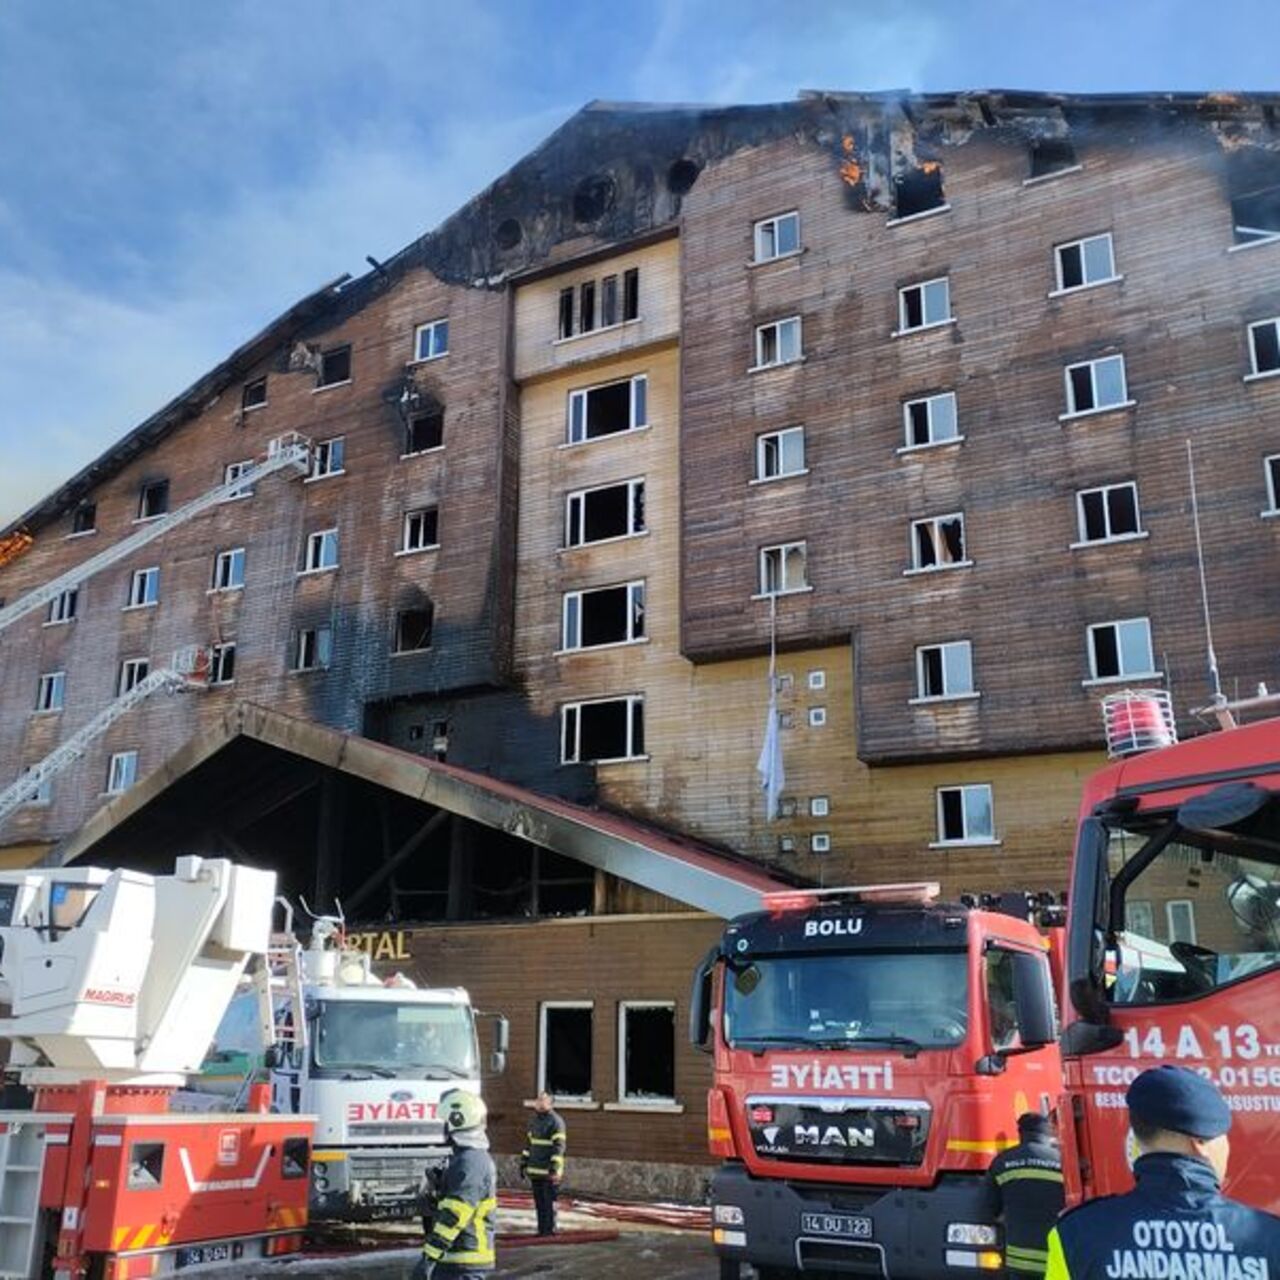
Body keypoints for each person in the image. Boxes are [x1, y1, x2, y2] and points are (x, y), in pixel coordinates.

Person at [1046, 1065, 1280, 1278]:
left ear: (1137, 1140)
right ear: (1201, 1141)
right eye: (1224, 1138)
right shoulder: (1269, 1238)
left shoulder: (1075, 1234)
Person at [413, 1088, 496, 1279]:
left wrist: (429, 1258)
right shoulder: (464, 1159)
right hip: (457, 1259)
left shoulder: (470, 1162)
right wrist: (441, 1186)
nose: (443, 1127)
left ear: (458, 1120)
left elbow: (455, 1214)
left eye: (445, 1121)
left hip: (465, 1261)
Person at [979, 1112, 1064, 1276]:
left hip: (1018, 1261)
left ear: (1021, 1133)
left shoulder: (1002, 1161)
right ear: (1048, 1132)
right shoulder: (1063, 1162)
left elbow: (987, 1210)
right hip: (1055, 1260)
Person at [520, 1090, 566, 1235]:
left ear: (550, 1103)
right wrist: (524, 1162)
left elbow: (559, 1147)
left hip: (548, 1172)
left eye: (543, 1100)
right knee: (539, 1204)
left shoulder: (556, 1122)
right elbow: (529, 1145)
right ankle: (542, 1230)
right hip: (535, 1170)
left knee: (548, 1203)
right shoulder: (533, 1121)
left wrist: (554, 1168)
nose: (539, 1102)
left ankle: (549, 1230)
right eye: (538, 1099)